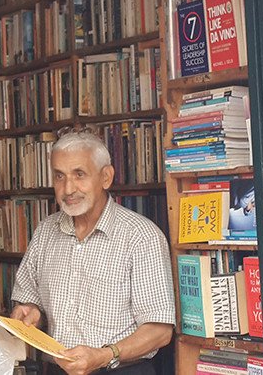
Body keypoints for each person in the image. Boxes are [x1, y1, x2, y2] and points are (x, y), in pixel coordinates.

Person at [9, 131, 175, 375]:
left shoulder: (141, 237)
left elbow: (160, 331)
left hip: (121, 371)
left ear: (106, 177)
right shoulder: (45, 232)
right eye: (59, 176)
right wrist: (30, 312)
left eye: (79, 175)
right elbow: (30, 301)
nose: (68, 189)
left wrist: (104, 355)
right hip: (56, 370)